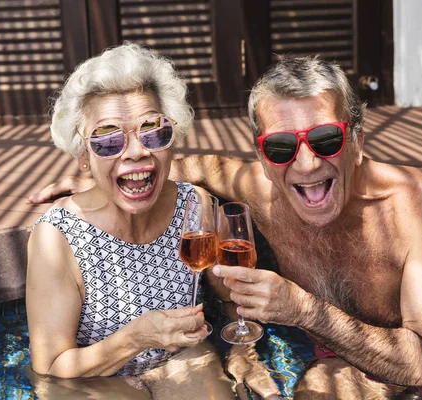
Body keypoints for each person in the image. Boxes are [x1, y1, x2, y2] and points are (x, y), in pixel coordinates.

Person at [30, 56, 422, 399]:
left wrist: (302, 309)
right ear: (263, 156)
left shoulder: (418, 203)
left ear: (357, 139)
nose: (305, 164)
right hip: (345, 352)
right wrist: (94, 176)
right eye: (282, 147)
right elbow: (182, 162)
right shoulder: (261, 187)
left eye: (326, 139)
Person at [25, 43, 281, 399]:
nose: (135, 150)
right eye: (108, 139)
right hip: (96, 380)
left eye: (154, 131)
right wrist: (137, 338)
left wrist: (243, 352)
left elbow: (232, 298)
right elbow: (50, 368)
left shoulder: (194, 206)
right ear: (83, 156)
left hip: (181, 361)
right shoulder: (57, 237)